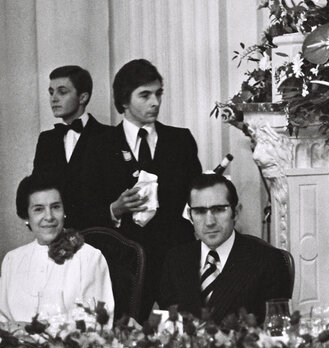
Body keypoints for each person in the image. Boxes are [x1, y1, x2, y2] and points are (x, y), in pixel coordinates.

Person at [84, 59, 202, 318]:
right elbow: (83, 208)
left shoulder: (180, 141)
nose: (155, 102)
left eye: (158, 93)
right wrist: (114, 209)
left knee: (185, 331)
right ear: (124, 100)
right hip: (123, 263)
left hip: (176, 258)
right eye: (145, 95)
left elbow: (195, 196)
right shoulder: (99, 147)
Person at [0, 174, 114, 336]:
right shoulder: (14, 259)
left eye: (55, 207)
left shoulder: (89, 258)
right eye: (39, 209)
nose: (49, 217)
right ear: (26, 216)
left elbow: (96, 325)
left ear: (64, 211)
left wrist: (36, 331)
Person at [157, 173, 292, 324]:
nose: (209, 222)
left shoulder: (268, 261)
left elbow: (276, 331)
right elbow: (169, 325)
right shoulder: (176, 259)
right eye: (200, 211)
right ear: (190, 215)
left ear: (236, 212)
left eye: (219, 209)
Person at [32, 65, 110, 229]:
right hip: (56, 234)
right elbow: (38, 189)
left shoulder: (109, 136)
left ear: (83, 97)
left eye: (62, 91)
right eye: (51, 92)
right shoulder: (46, 140)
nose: (54, 98)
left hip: (98, 234)